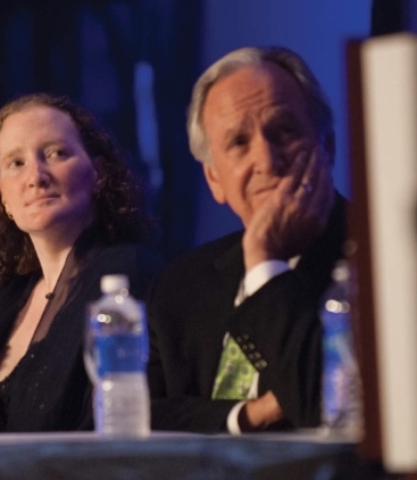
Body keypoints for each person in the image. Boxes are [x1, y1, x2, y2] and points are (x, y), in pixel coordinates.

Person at [147, 46, 346, 433]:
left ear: (328, 147)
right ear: (214, 180)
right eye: (239, 142)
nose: (267, 161)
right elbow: (138, 418)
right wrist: (250, 414)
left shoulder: (381, 256)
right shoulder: (179, 288)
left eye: (284, 131)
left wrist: (265, 263)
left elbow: (322, 407)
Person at [0, 93, 159, 433]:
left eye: (55, 154)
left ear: (98, 173)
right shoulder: (1, 296)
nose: (36, 176)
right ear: (3, 197)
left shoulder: (130, 275)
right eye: (16, 163)